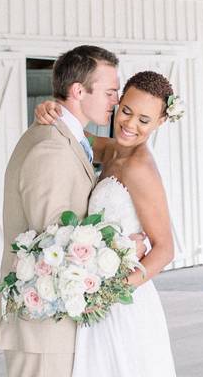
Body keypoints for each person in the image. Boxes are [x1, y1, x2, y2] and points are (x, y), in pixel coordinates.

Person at [34, 70, 182, 377]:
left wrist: (106, 295)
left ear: (161, 122)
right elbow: (74, 135)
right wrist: (49, 110)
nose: (130, 124)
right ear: (119, 101)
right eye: (126, 111)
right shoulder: (115, 149)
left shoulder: (141, 167)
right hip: (97, 290)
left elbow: (165, 249)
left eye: (144, 119)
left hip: (123, 303)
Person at [0, 45, 121, 377]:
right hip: (43, 325)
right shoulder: (51, 146)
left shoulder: (66, 136)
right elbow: (55, 244)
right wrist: (122, 251)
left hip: (57, 323)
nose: (115, 101)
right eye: (109, 92)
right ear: (78, 90)